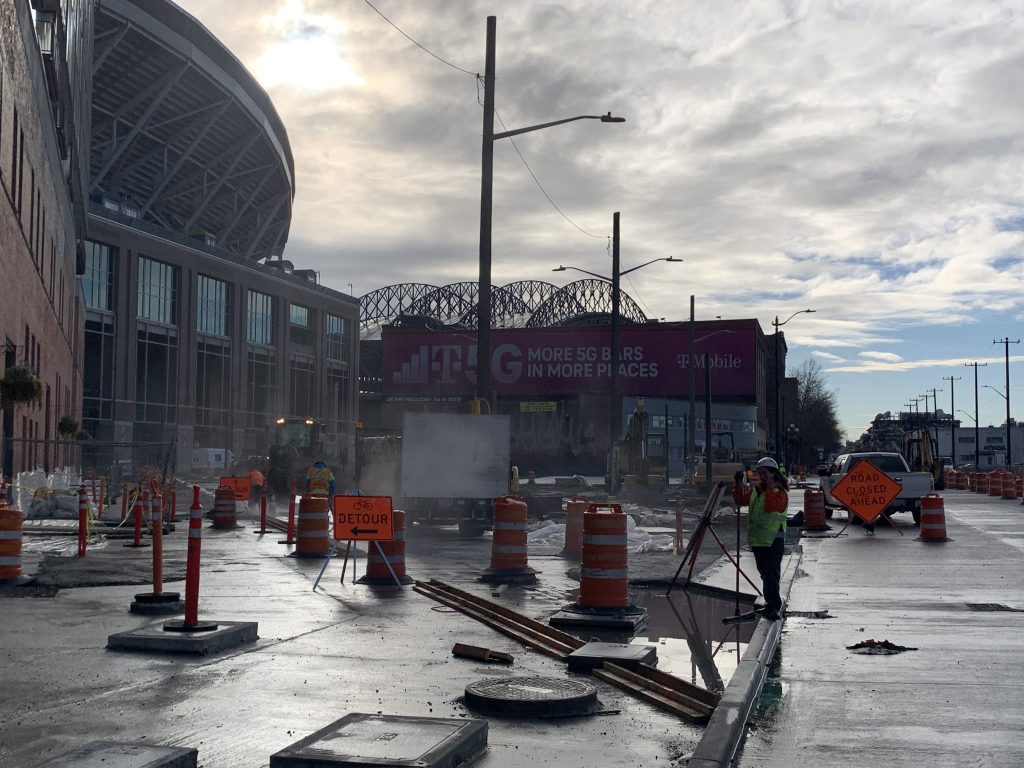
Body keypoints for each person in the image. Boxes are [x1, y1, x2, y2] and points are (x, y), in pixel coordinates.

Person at [732, 456, 789, 621]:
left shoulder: (780, 493)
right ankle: (770, 604)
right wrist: (738, 483)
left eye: (764, 473)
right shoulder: (756, 491)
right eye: (759, 473)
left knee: (771, 575)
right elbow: (741, 500)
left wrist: (771, 487)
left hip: (773, 542)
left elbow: (771, 507)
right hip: (758, 542)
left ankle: (773, 606)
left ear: (773, 474)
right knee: (765, 575)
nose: (761, 476)